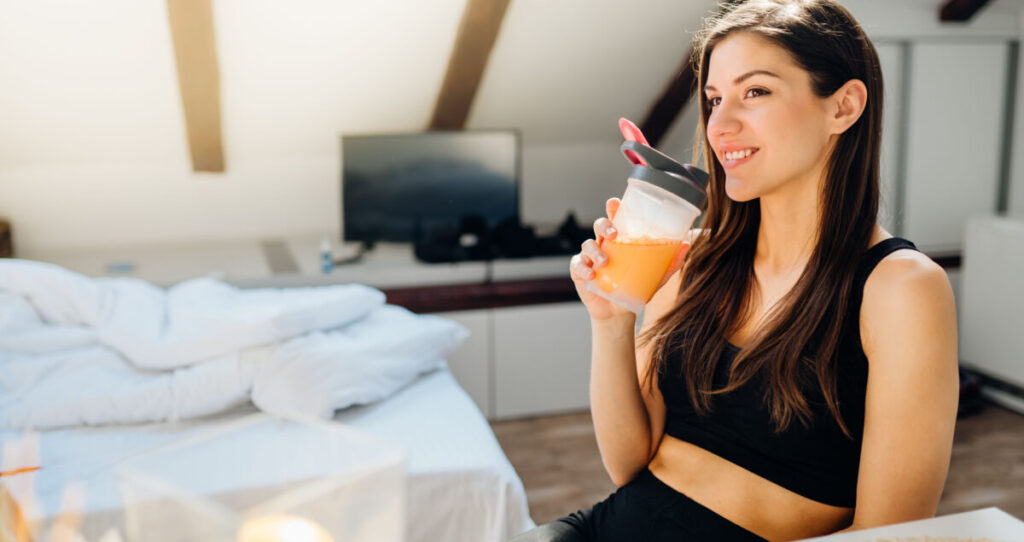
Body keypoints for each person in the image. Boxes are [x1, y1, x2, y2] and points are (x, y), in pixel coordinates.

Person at [511, 0, 959, 540]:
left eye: (756, 92)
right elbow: (629, 464)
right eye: (714, 99)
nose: (720, 125)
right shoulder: (691, 257)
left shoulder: (901, 289)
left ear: (843, 107)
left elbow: (890, 534)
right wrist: (612, 322)